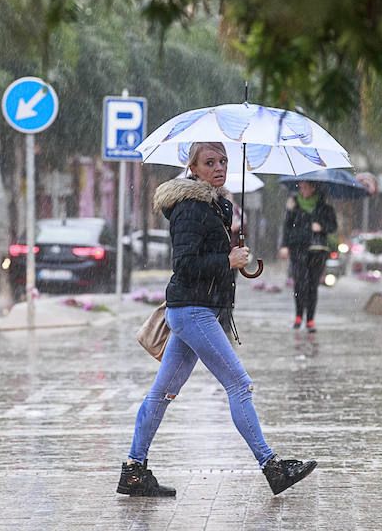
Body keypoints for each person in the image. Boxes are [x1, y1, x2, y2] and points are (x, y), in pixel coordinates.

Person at [117, 141, 317, 497]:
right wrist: (228, 261)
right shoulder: (193, 208)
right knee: (239, 385)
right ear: (192, 168)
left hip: (194, 308)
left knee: (162, 392)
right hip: (193, 310)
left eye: (223, 160)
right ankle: (272, 467)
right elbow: (185, 265)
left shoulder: (213, 206)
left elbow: (204, 257)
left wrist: (232, 251)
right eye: (209, 162)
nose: (219, 166)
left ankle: (134, 470)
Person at [279, 180, 338, 333]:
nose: (302, 190)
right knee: (299, 283)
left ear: (314, 187)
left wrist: (321, 226)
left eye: (305, 187)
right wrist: (284, 246)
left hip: (318, 250)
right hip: (298, 248)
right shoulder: (293, 204)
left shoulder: (324, 204)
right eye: (301, 187)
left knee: (312, 285)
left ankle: (310, 319)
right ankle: (299, 315)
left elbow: (333, 226)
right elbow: (286, 227)